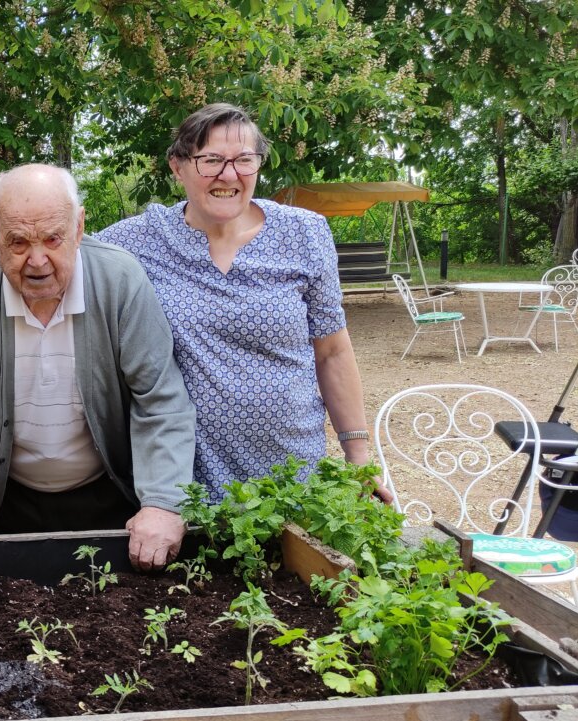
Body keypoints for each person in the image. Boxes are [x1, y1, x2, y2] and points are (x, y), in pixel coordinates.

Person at [0, 164, 197, 578]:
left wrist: (162, 503)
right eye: (18, 242)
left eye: (52, 238)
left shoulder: (120, 280)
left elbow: (160, 402)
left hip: (109, 496)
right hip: (6, 501)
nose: (37, 260)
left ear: (78, 228)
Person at [96, 103, 390, 504]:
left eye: (244, 160)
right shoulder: (140, 240)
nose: (229, 175)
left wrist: (358, 457)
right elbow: (57, 255)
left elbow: (332, 352)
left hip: (292, 471)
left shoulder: (304, 233)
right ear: (177, 166)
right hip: (184, 479)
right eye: (211, 160)